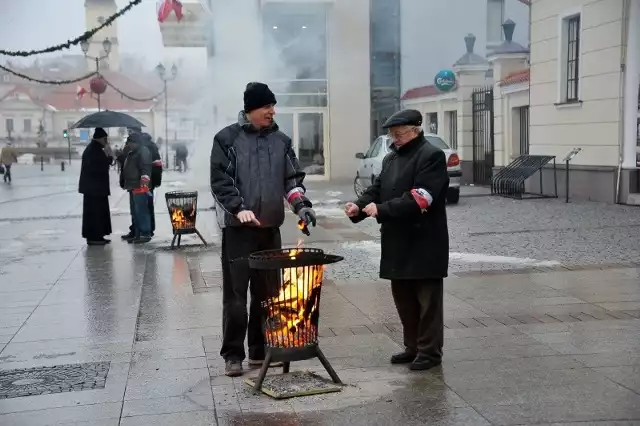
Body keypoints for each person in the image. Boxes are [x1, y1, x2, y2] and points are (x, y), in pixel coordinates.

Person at [210, 82, 317, 377]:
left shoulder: (281, 141)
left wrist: (302, 206)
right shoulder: (227, 140)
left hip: (269, 230)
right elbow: (220, 181)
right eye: (266, 106)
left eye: (273, 106)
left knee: (266, 296)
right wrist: (238, 208)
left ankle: (259, 351)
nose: (272, 111)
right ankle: (233, 354)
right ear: (250, 110)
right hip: (238, 230)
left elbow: (292, 180)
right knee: (235, 298)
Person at [345, 109, 449, 371]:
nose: (395, 139)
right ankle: (412, 347)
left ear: (415, 130)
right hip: (397, 241)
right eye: (392, 134)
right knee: (404, 300)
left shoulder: (431, 156)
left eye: (400, 134)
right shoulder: (391, 158)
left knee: (427, 303)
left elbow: (422, 197)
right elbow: (377, 189)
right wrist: (359, 206)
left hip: (424, 241)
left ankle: (429, 351)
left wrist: (382, 210)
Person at [119, 128, 162, 241]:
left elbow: (146, 167)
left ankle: (145, 232)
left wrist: (146, 183)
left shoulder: (144, 150)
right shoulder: (132, 151)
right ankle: (137, 232)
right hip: (133, 184)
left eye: (131, 132)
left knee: (142, 209)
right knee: (136, 210)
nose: (129, 144)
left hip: (141, 185)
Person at [78, 128, 113, 246]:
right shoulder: (94, 150)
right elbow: (97, 168)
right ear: (100, 138)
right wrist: (108, 157)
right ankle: (95, 237)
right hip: (94, 189)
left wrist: (108, 158)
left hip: (95, 188)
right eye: (105, 139)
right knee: (95, 214)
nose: (106, 141)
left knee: (98, 213)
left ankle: (98, 235)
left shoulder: (95, 149)